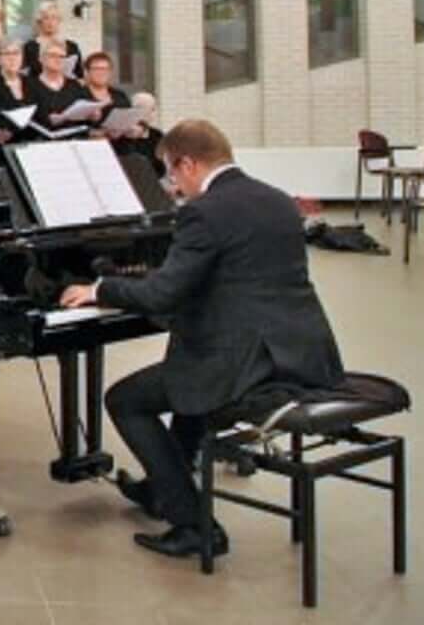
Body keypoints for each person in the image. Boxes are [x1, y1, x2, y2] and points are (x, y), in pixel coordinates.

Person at [60, 119, 344, 560]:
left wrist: (101, 289)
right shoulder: (277, 199)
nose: (174, 187)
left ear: (188, 164)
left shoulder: (204, 211)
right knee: (184, 370)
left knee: (126, 400)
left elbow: (162, 293)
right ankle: (161, 488)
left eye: (172, 174)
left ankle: (193, 525)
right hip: (299, 353)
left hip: (244, 363)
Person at [24, 0, 84, 79]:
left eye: (54, 17)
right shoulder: (30, 47)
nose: (50, 22)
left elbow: (79, 75)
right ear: (40, 21)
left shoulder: (72, 46)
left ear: (59, 20)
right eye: (46, 18)